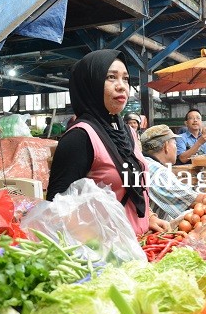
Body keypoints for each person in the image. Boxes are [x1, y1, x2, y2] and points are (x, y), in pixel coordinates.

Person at [47, 49, 170, 234]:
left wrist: (149, 216)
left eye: (126, 79)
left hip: (138, 246)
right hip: (105, 255)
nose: (122, 86)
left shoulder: (127, 131)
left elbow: (133, 186)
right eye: (111, 77)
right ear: (91, 84)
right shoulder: (80, 137)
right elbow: (57, 209)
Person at [140, 124, 204, 220]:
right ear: (166, 146)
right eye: (174, 143)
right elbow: (194, 200)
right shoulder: (157, 171)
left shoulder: (144, 162)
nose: (176, 148)